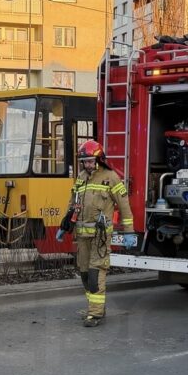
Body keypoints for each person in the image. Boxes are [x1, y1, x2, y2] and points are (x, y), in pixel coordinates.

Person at [56, 139, 134, 327]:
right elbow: (72, 205)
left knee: (95, 274)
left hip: (100, 238)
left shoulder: (111, 177)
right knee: (84, 273)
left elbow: (124, 206)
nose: (88, 164)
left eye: (91, 160)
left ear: (99, 160)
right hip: (82, 237)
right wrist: (64, 226)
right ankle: (95, 306)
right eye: (85, 161)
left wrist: (129, 232)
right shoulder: (81, 178)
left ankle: (95, 314)